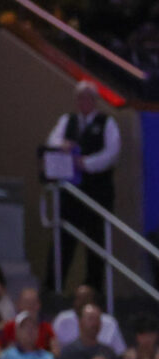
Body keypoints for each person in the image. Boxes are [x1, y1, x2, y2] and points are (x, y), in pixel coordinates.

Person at [45, 81, 121, 292]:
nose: (84, 102)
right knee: (63, 242)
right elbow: (52, 141)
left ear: (94, 100)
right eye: (80, 97)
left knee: (96, 242)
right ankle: (53, 288)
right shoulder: (67, 120)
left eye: (88, 97)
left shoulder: (107, 122)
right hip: (71, 194)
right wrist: (62, 146)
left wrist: (85, 163)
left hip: (97, 192)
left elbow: (111, 153)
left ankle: (94, 290)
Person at [58, 305, 124, 359]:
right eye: (90, 319)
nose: (94, 323)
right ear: (80, 323)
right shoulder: (69, 351)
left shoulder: (109, 352)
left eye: (97, 319)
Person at [53, 289, 126, 354]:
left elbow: (120, 351)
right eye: (79, 299)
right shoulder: (62, 320)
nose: (82, 303)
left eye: (86, 299)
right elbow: (54, 348)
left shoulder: (109, 322)